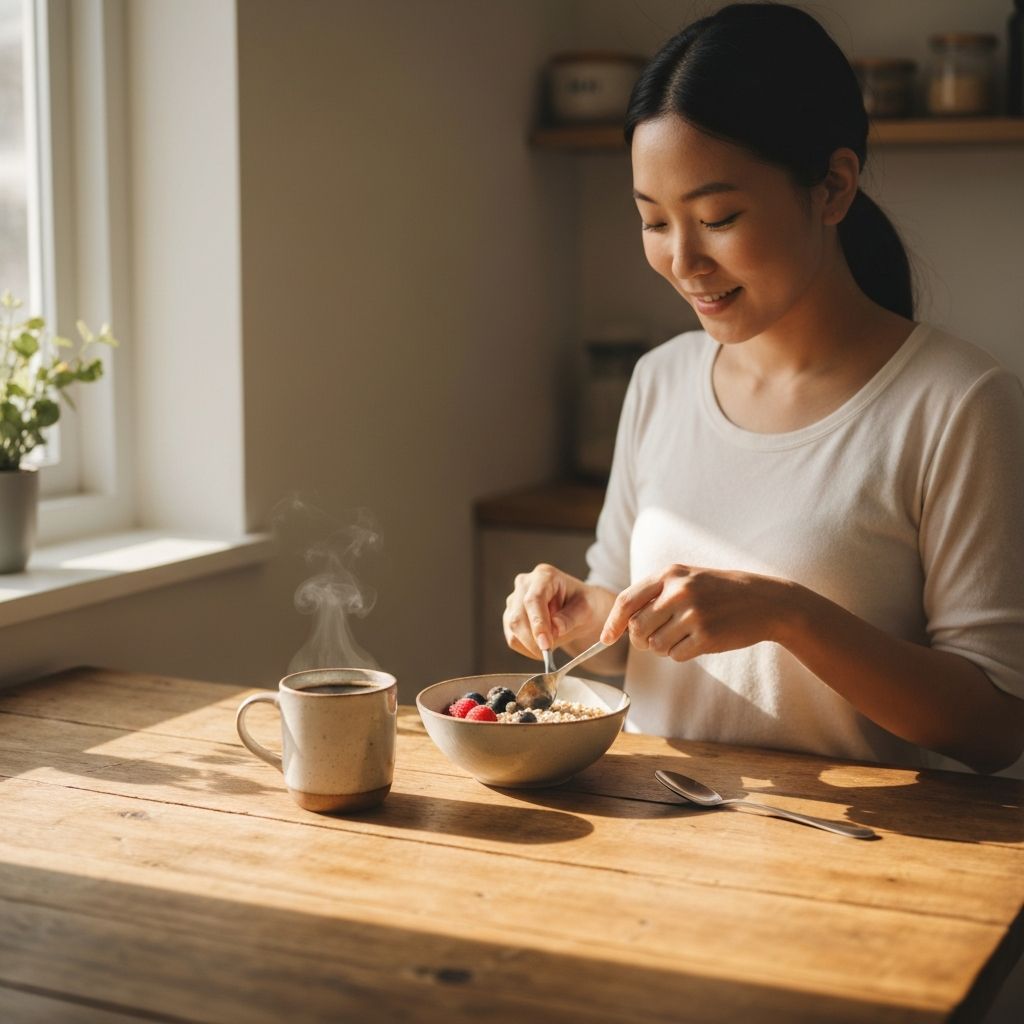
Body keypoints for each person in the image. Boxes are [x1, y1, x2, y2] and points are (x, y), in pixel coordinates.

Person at [503, 3, 1024, 774]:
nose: (683, 261)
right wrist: (580, 620)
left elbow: (995, 726)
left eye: (719, 217)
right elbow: (623, 648)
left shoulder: (959, 403)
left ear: (833, 188)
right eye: (653, 221)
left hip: (868, 863)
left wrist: (790, 615)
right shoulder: (661, 379)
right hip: (657, 838)